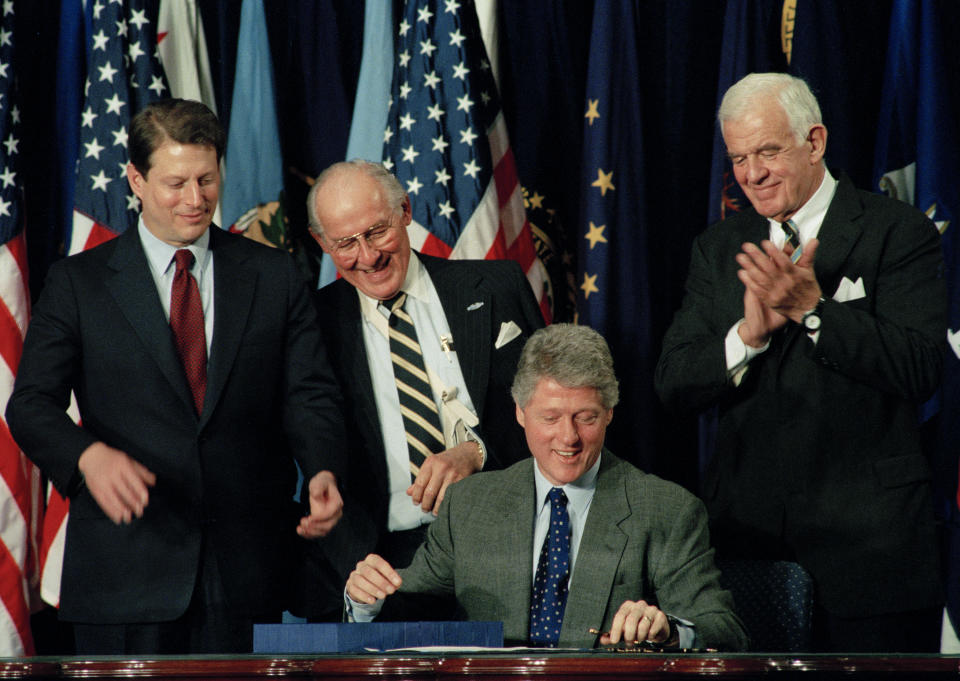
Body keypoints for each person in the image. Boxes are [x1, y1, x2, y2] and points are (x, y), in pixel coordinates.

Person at [5, 99, 346, 654]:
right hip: (125, 577)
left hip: (250, 577)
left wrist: (324, 467)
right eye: (176, 182)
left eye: (207, 180)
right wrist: (88, 457)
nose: (195, 200)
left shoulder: (273, 274)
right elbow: (31, 405)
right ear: (137, 181)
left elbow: (310, 393)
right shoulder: (78, 283)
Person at [655, 73, 947, 652]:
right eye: (739, 158)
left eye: (767, 151)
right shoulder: (719, 248)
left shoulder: (897, 231)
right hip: (750, 548)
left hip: (872, 554)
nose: (752, 174)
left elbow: (921, 368)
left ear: (814, 142)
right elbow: (673, 384)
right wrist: (746, 336)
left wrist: (813, 309)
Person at [346, 324, 748, 650]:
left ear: (609, 413)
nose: (568, 437)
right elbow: (406, 603)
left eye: (585, 417)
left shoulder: (665, 509)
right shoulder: (469, 504)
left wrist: (670, 630)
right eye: (550, 418)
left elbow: (724, 630)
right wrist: (366, 599)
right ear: (520, 413)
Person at [296, 160, 545, 620]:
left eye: (376, 232)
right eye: (346, 244)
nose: (367, 256)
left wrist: (478, 451)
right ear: (322, 243)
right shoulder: (309, 324)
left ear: (406, 212)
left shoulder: (496, 286)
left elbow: (552, 414)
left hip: (506, 548)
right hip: (382, 565)